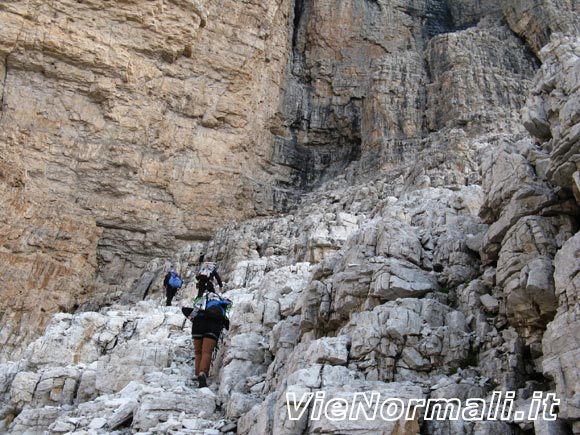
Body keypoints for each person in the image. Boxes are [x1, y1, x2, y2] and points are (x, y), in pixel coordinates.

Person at [188, 292, 232, 388]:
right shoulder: (222, 304)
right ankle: (202, 373)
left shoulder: (203, 300)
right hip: (213, 325)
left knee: (198, 351)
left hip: (198, 324)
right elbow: (226, 321)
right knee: (207, 352)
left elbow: (192, 313)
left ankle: (197, 373)